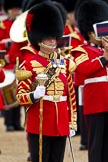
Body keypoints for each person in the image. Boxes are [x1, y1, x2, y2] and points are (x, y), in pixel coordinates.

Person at [16, 1, 77, 162]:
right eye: (48, 38)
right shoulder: (29, 64)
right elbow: (20, 96)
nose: (52, 41)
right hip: (40, 122)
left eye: (53, 38)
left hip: (61, 122)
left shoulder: (63, 63)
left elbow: (71, 96)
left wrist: (72, 122)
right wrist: (34, 95)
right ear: (39, 39)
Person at [72, 0, 108, 162]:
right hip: (96, 103)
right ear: (90, 32)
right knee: (96, 144)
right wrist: (104, 58)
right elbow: (84, 69)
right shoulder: (82, 50)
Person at [0, 0, 24, 131]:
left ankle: (16, 122)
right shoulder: (2, 25)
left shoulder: (20, 25)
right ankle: (8, 122)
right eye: (14, 10)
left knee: (18, 94)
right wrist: (7, 44)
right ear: (9, 10)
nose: (16, 12)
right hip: (6, 64)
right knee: (7, 93)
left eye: (17, 10)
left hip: (18, 62)